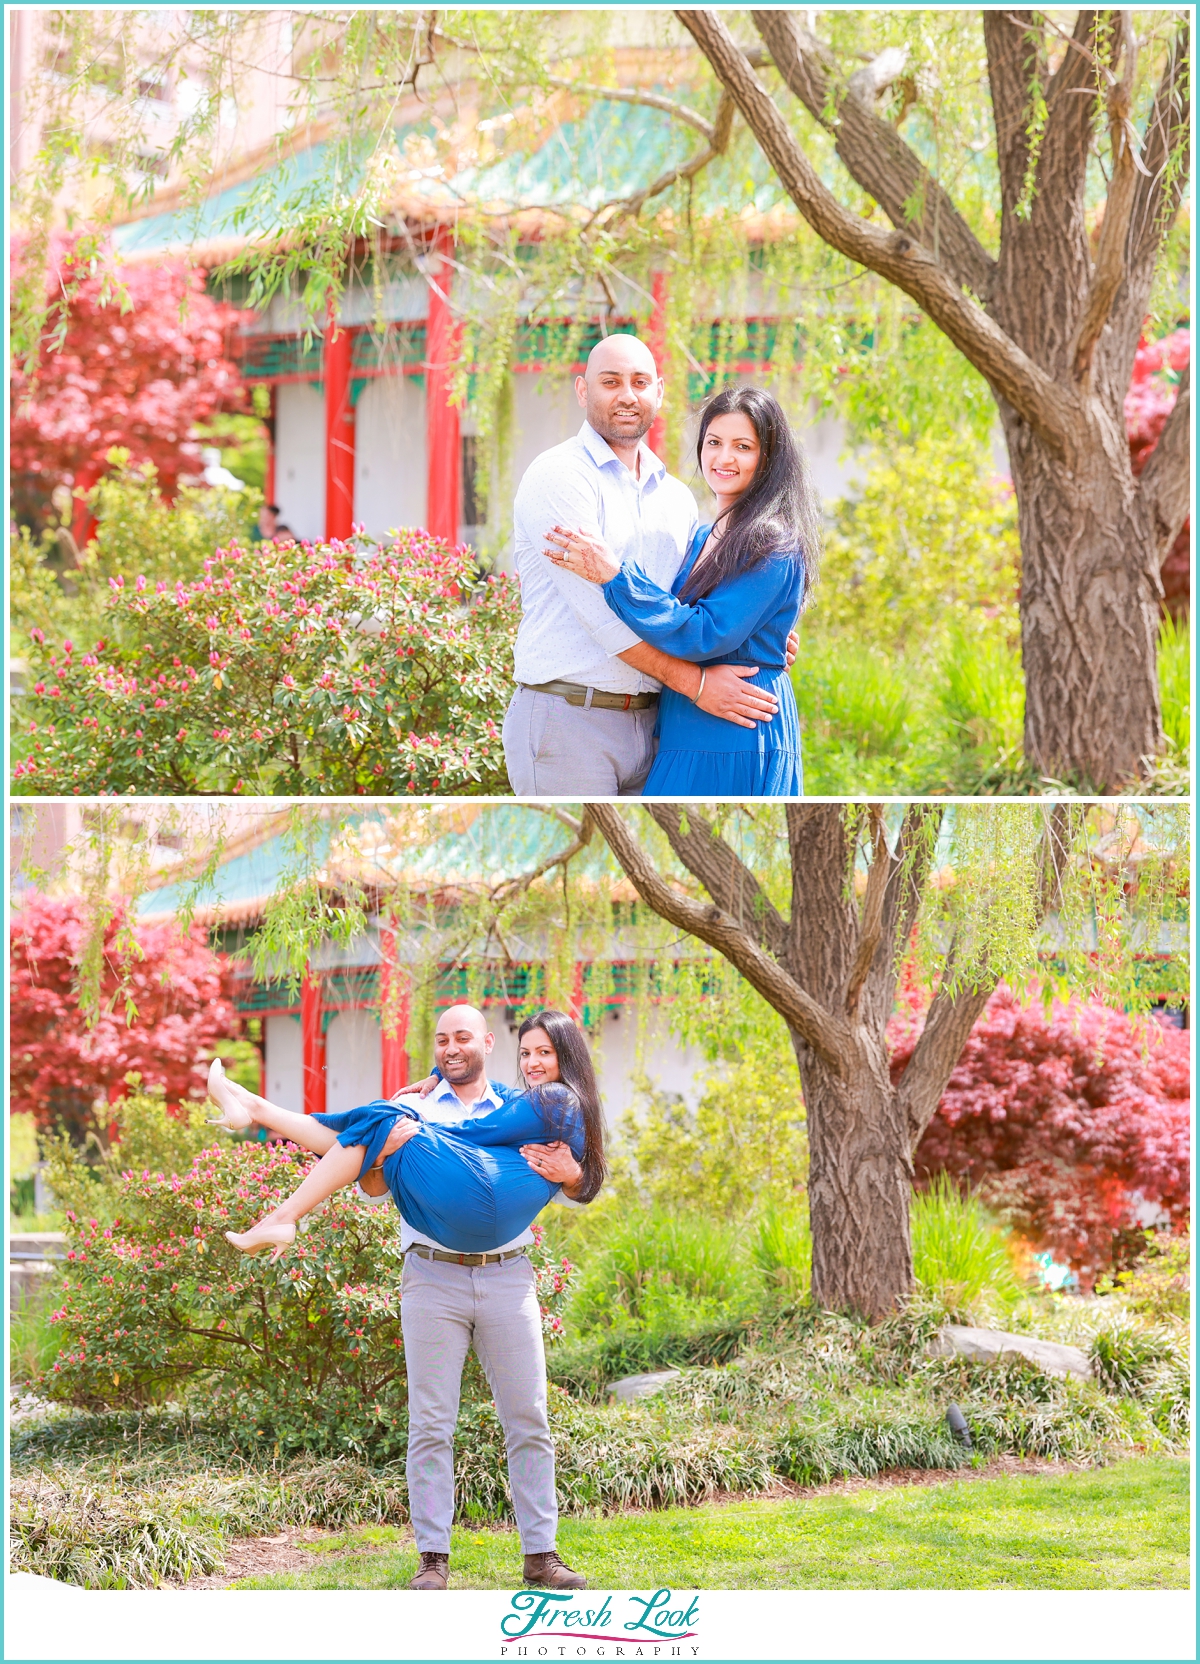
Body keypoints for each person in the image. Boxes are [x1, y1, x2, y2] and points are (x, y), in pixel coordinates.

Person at [207, 1004, 599, 1594]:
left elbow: (587, 1176)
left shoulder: (527, 1105)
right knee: (431, 1423)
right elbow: (367, 1181)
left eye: (463, 1037)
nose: (452, 1048)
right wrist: (391, 1138)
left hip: (507, 1275)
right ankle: (432, 1560)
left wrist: (573, 1175)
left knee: (529, 1420)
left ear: (486, 1043)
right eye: (442, 1039)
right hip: (432, 1276)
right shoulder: (417, 1101)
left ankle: (542, 1556)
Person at [503, 334, 799, 796]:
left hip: (659, 723)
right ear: (583, 390)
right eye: (611, 381)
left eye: (640, 381)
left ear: (658, 391)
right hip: (573, 716)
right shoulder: (560, 476)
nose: (627, 395)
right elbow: (603, 619)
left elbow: (686, 605)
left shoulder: (676, 499)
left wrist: (759, 630)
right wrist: (698, 684)